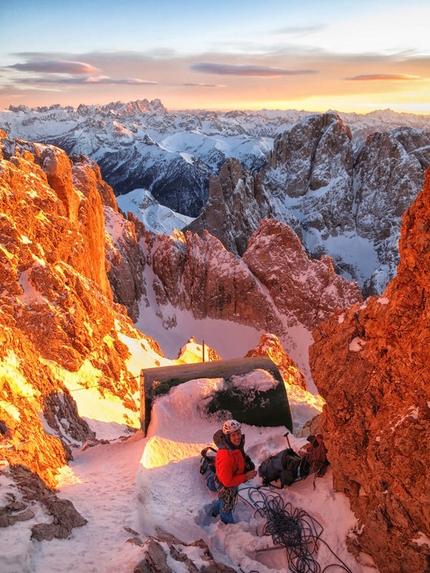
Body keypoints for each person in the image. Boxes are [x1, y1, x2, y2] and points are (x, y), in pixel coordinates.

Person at [211, 419, 257, 524]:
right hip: (226, 484)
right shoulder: (225, 456)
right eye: (233, 435)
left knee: (223, 500)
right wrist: (246, 476)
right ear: (227, 437)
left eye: (238, 433)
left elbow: (238, 454)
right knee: (227, 506)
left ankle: (213, 513)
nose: (238, 437)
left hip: (232, 479)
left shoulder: (233, 445)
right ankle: (229, 526)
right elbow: (227, 482)